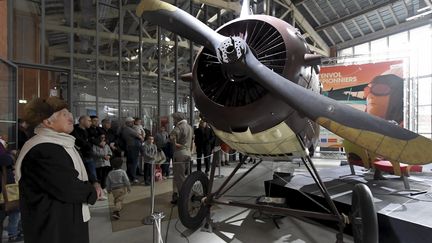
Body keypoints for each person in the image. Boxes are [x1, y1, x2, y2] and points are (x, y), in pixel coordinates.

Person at [15, 97, 102, 243]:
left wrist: (93, 182)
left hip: (62, 220)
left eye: (69, 112)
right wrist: (92, 192)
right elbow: (68, 187)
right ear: (47, 122)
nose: (70, 117)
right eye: (64, 114)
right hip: (54, 226)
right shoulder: (44, 148)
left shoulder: (58, 143)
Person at [169, 112, 193, 204]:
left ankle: (184, 196)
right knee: (181, 175)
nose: (174, 120)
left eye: (174, 119)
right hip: (188, 153)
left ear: (177, 119)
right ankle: (177, 194)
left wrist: (175, 143)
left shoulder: (179, 127)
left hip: (179, 153)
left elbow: (172, 137)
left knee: (179, 177)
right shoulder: (189, 127)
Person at [0, 148, 23, 242]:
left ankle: (13, 233)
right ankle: (13, 235)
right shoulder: (11, 172)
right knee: (15, 217)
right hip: (12, 199)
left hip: (7, 200)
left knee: (13, 218)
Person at [120, 117, 143, 183]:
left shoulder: (126, 129)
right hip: (133, 147)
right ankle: (133, 177)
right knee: (133, 163)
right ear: (128, 123)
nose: (133, 123)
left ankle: (130, 176)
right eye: (132, 122)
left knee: (130, 163)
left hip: (131, 147)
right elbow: (139, 136)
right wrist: (141, 136)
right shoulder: (128, 129)